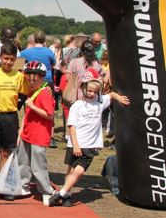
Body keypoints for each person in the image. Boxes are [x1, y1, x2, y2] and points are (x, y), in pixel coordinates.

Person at [49, 69, 130, 207]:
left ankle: (61, 193)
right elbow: (72, 126)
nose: (91, 93)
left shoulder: (99, 102)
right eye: (89, 90)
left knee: (79, 171)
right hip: (76, 143)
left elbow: (110, 95)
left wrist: (119, 98)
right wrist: (75, 145)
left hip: (91, 144)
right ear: (83, 88)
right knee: (71, 170)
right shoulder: (77, 106)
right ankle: (67, 196)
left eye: (94, 91)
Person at [0, 42, 27, 200]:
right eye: (5, 58)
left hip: (11, 117)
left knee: (6, 153)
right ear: (0, 57)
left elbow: (25, 92)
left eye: (11, 59)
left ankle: (2, 186)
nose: (8, 62)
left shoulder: (18, 76)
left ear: (15, 59)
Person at [17, 61, 56, 199]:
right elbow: (26, 114)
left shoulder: (45, 93)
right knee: (23, 162)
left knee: (38, 166)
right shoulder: (31, 91)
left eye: (35, 79)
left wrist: (33, 106)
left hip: (39, 135)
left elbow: (50, 114)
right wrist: (20, 132)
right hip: (27, 133)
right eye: (29, 79)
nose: (31, 81)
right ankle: (23, 185)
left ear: (41, 78)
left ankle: (46, 191)